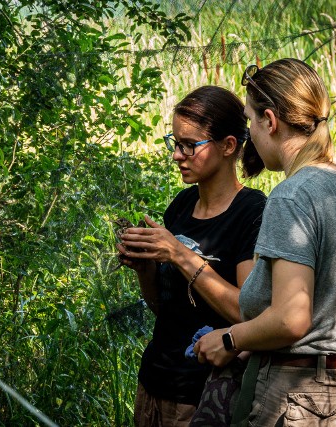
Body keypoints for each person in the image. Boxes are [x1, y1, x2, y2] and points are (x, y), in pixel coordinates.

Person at [193, 59, 336, 426]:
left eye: (251, 120)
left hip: (306, 401)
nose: (250, 134)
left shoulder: (292, 196)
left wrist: (229, 339)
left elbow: (291, 318)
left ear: (270, 121)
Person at [116, 85, 267, 427]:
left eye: (189, 145)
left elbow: (248, 311)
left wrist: (179, 253)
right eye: (174, 142)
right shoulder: (181, 206)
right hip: (154, 383)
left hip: (206, 396)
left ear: (229, 146)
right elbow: (163, 308)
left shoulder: (252, 213)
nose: (176, 155)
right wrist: (145, 269)